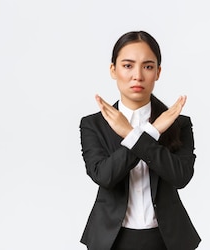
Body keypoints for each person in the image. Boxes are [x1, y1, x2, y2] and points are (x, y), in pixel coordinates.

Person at [79, 31, 201, 250]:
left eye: (147, 66)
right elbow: (105, 176)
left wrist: (138, 135)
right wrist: (149, 134)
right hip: (111, 240)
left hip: (167, 240)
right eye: (127, 66)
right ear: (113, 70)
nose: (137, 75)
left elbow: (181, 177)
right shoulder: (93, 124)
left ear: (158, 72)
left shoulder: (178, 123)